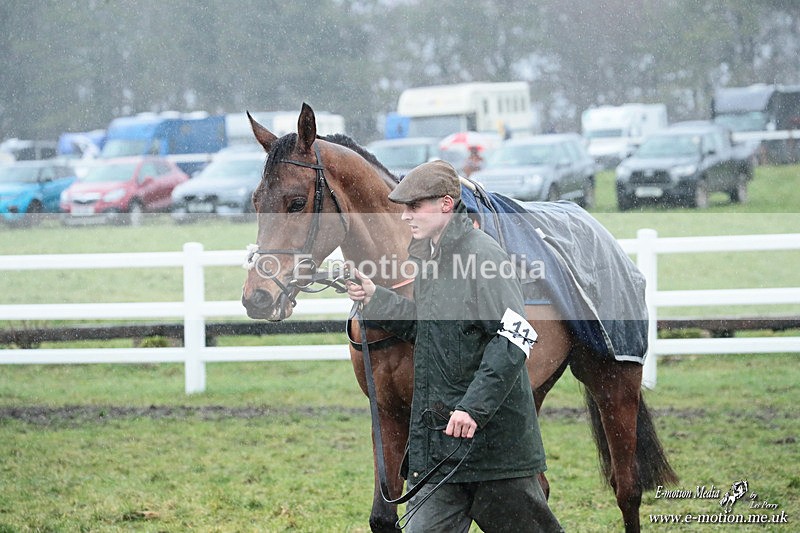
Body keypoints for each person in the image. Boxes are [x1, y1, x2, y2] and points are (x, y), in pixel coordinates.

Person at [346, 160, 562, 532]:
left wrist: (473, 410)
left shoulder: (483, 256)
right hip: (437, 453)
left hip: (495, 457)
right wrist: (375, 299)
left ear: (446, 204)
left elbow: (515, 336)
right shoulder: (429, 258)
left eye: (414, 207)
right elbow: (429, 328)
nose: (405, 217)